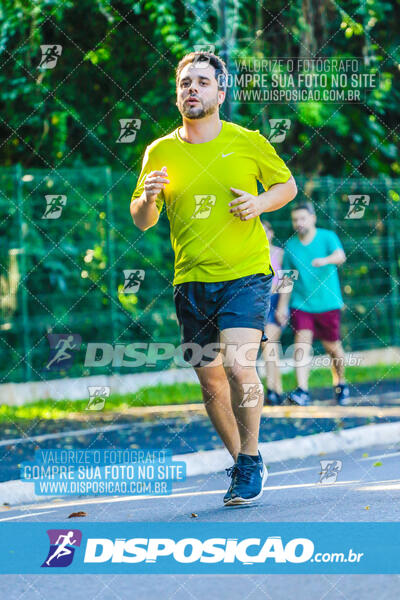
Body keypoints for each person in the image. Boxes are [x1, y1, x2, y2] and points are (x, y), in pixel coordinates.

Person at [130, 51, 297, 505]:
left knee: (238, 365)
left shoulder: (248, 142)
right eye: (186, 83)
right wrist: (146, 198)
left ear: (220, 92)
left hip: (245, 274)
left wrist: (260, 204)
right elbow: (143, 219)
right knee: (210, 381)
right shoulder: (160, 152)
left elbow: (288, 187)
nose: (193, 89)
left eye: (203, 82)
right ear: (177, 92)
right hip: (191, 280)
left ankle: (248, 457)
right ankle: (246, 461)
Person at [275, 201, 350, 406]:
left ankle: (341, 382)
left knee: (332, 347)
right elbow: (287, 279)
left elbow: (340, 256)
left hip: (327, 303)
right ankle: (302, 391)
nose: (298, 222)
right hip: (301, 303)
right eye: (295, 219)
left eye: (302, 218)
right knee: (302, 343)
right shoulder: (290, 246)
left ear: (313, 218)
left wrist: (325, 261)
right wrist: (282, 306)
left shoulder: (327, 237)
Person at [261, 221, 285, 405]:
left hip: (277, 301)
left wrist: (283, 305)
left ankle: (273, 389)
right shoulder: (252, 253)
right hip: (258, 302)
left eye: (266, 230)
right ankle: (276, 389)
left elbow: (288, 278)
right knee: (270, 346)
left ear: (271, 232)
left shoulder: (279, 253)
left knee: (269, 344)